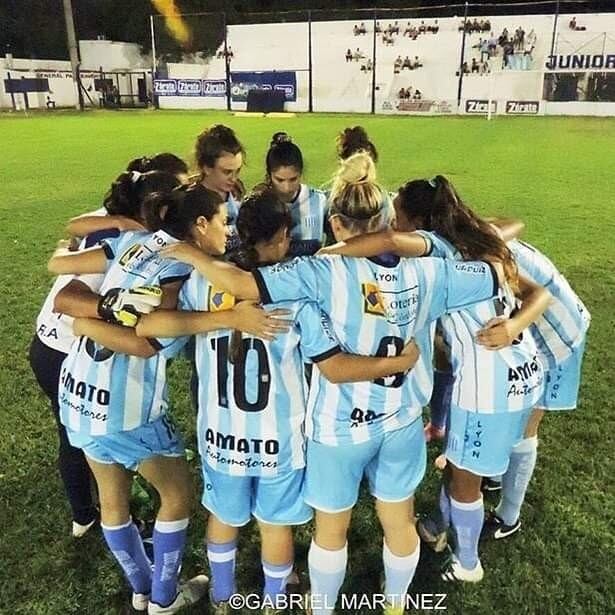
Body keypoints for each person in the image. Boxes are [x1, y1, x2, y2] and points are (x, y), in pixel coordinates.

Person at [160, 154, 508, 614]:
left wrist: (186, 254)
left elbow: (246, 289)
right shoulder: (433, 267)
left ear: (336, 224)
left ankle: (317, 607)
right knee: (398, 519)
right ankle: (396, 604)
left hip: (336, 427)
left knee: (331, 530)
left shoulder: (317, 274)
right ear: (387, 219)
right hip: (402, 417)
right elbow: (497, 269)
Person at [138, 189, 420, 614]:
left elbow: (154, 328)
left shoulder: (205, 281)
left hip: (219, 435)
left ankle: (222, 597)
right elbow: (331, 361)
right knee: (275, 526)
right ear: (284, 235)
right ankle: (272, 603)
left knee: (224, 521)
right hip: (280, 439)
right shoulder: (298, 292)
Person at [46, 184, 280, 614]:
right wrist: (228, 316)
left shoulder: (134, 242)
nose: (228, 233)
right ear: (200, 225)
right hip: (126, 405)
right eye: (224, 222)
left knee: (112, 498)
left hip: (78, 392)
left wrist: (90, 323)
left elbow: (66, 294)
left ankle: (141, 587)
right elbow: (148, 337)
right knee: (176, 495)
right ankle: (163, 597)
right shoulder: (183, 270)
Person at [320, 176, 549, 583]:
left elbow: (389, 242)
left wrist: (329, 252)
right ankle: (445, 527)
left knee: (464, 481)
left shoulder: (438, 257)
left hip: (487, 386)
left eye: (401, 217)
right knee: (465, 466)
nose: (395, 223)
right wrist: (515, 326)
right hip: (526, 374)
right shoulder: (478, 247)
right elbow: (539, 293)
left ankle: (467, 564)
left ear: (420, 224)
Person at [30, 166, 184, 539]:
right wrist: (108, 310)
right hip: (68, 346)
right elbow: (71, 299)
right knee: (87, 437)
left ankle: (93, 512)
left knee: (79, 436)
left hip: (50, 343)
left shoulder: (108, 223)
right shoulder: (132, 239)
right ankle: (88, 514)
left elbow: (69, 233)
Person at [481, 238, 590, 539]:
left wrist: (512, 328)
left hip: (557, 336)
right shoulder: (472, 230)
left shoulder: (478, 255)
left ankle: (509, 516)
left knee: (524, 427)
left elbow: (535, 296)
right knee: (509, 413)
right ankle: (496, 476)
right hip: (545, 325)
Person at [260, 132, 328, 257]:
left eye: (293, 179)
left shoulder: (319, 200)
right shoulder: (258, 205)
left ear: (301, 173)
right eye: (279, 180)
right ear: (269, 175)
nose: (287, 188)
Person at [194, 125, 245, 251]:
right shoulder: (192, 203)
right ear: (207, 168)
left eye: (237, 170)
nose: (234, 178)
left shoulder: (236, 191)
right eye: (227, 172)